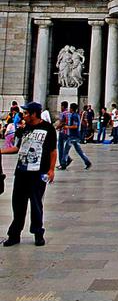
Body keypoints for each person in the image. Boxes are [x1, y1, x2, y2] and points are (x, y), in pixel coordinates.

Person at [1, 101, 56, 247]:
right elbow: (16, 148)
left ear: (33, 114)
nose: (23, 115)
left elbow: (53, 151)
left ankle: (38, 233)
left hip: (38, 173)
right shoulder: (24, 129)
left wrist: (51, 170)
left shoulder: (48, 129)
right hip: (21, 172)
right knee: (18, 204)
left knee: (36, 204)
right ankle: (14, 234)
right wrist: (1, 151)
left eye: (26, 113)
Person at [61, 103, 92, 170]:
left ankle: (63, 164)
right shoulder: (76, 115)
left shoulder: (74, 116)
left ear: (71, 108)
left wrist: (67, 127)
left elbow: (75, 126)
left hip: (73, 136)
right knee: (79, 151)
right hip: (76, 136)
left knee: (65, 151)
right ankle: (87, 162)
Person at [55, 101, 71, 169]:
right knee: (65, 148)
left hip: (63, 132)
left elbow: (61, 122)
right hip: (69, 132)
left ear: (63, 106)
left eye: (61, 106)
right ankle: (67, 158)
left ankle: (62, 164)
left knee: (60, 148)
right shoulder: (70, 113)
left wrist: (56, 127)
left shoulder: (63, 113)